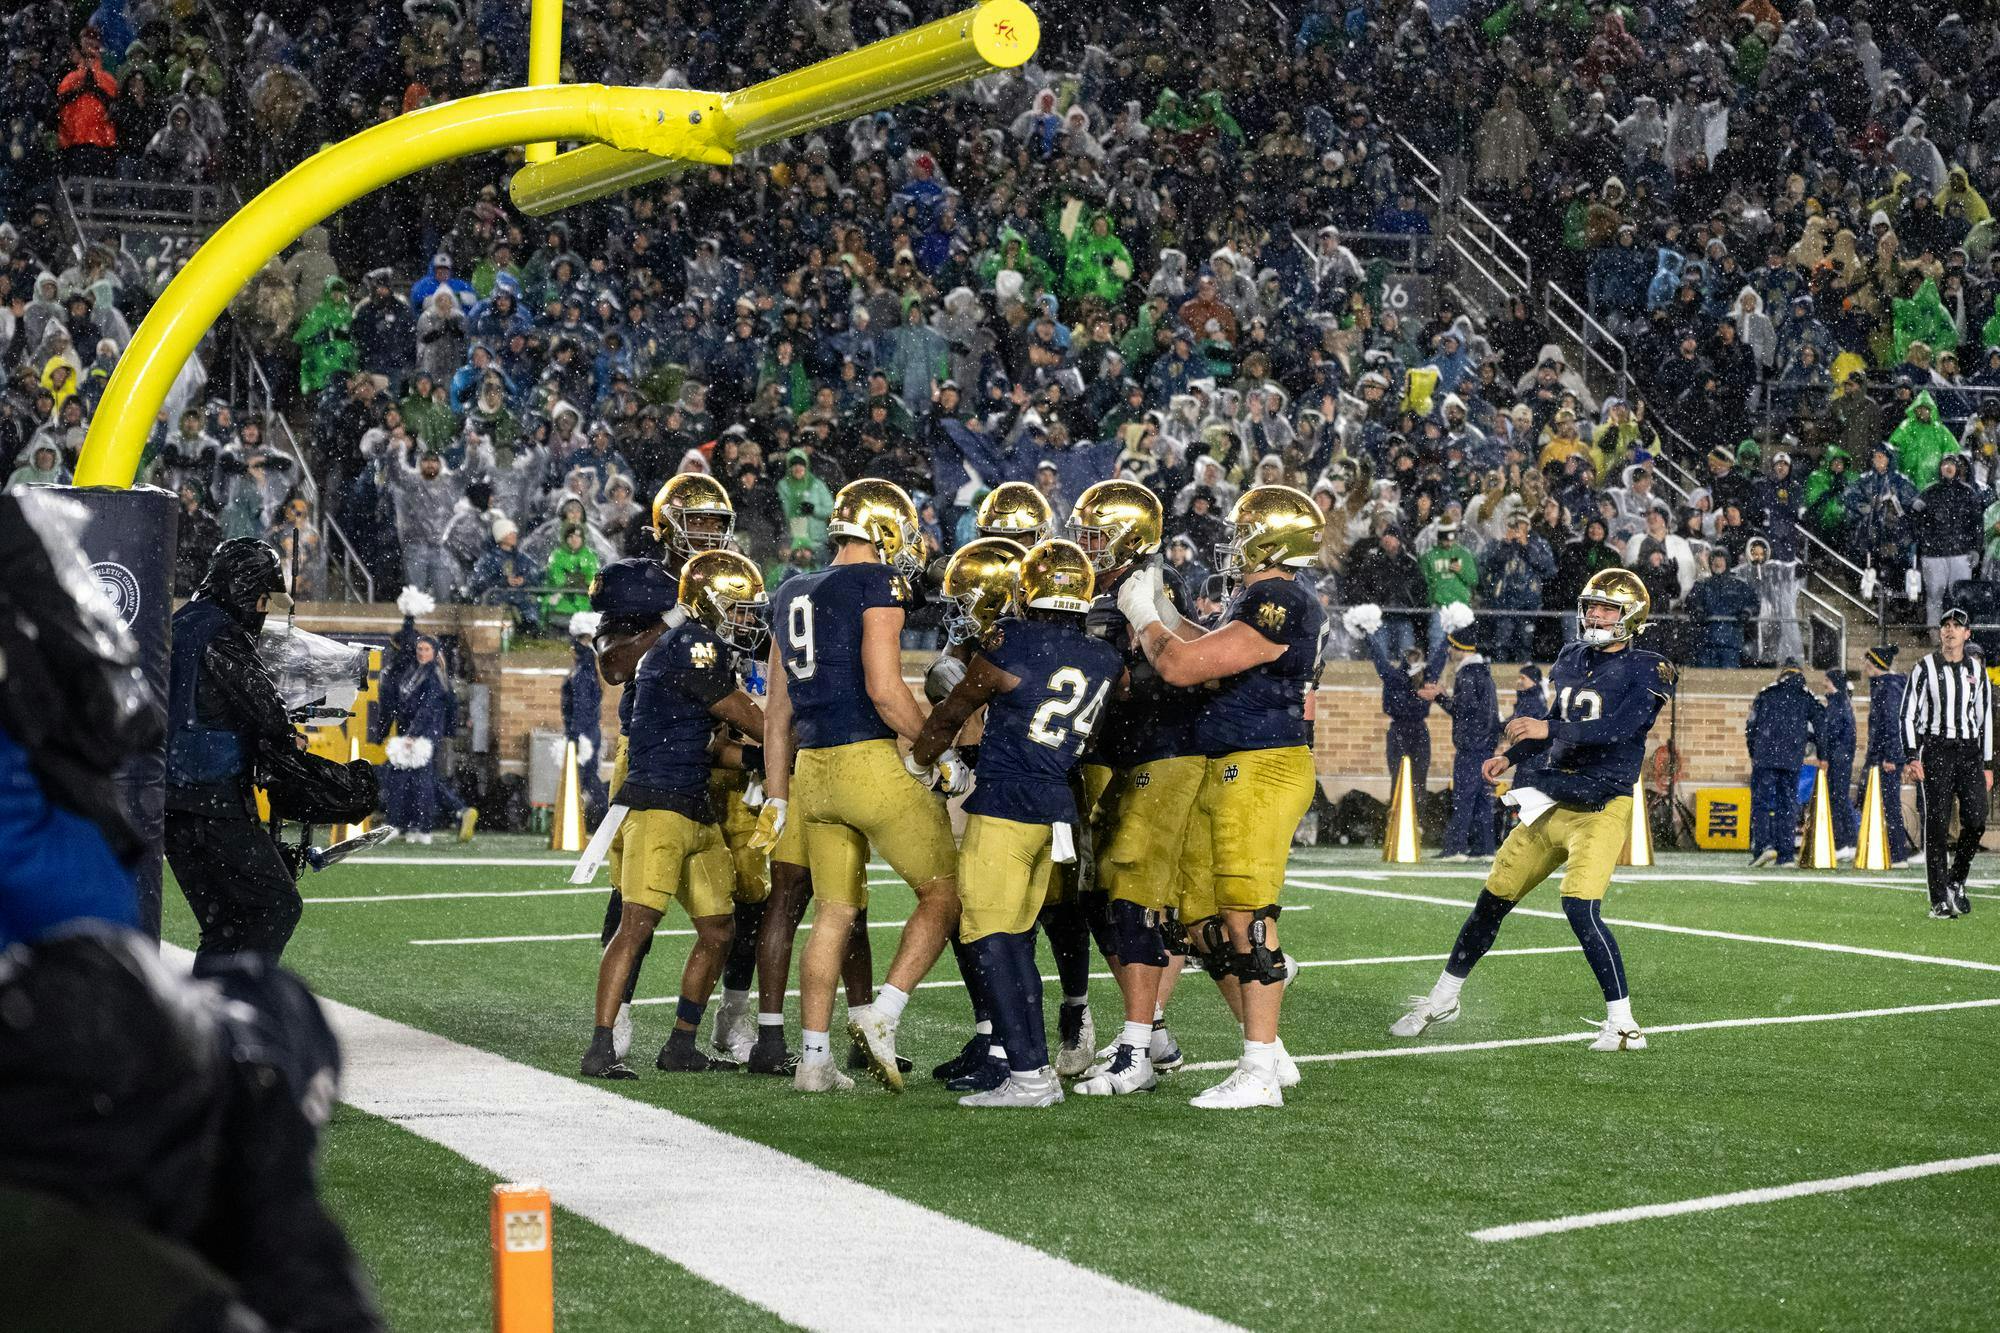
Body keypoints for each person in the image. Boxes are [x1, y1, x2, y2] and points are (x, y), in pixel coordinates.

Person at [1390, 569, 1674, 1054]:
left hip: (1603, 803)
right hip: (1555, 795)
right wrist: (1513, 754)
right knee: (1493, 898)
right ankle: (1444, 997)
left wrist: (1548, 733)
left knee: (1580, 907)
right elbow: (1558, 723)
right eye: (1591, 605)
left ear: (1631, 616)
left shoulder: (1649, 666)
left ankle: (1624, 1024)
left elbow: (1622, 728)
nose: (1595, 615)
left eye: (1607, 608)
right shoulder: (1570, 656)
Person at [1118, 485, 1327, 1109]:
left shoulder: (1279, 596)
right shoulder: (1257, 594)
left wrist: (1144, 617)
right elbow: (1198, 645)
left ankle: (1259, 1070)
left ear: (1272, 539)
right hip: (1234, 763)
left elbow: (1183, 667)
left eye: (1245, 531)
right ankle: (1272, 1053)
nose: (1233, 543)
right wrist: (1158, 605)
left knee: (1247, 914)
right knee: (1205, 923)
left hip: (1263, 764)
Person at [760, 479, 963, 1093]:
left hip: (813, 774)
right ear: (883, 530)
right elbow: (885, 689)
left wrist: (776, 794)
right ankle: (884, 1014)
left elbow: (776, 714)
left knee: (834, 913)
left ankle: (813, 1060)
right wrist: (939, 746)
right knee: (945, 894)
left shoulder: (790, 590)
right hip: (868, 763)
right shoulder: (877, 584)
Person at [910, 540, 1124, 1107]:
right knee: (1017, 939)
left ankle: (1028, 1076)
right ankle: (1034, 1070)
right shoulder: (1103, 657)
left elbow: (955, 708)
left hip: (1007, 808)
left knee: (992, 938)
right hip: (1057, 808)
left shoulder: (1013, 639)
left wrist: (921, 759)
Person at [581, 550, 771, 1078]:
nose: (747, 620)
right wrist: (808, 737)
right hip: (657, 805)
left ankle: (681, 1044)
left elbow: (719, 746)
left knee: (719, 929)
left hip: (694, 806)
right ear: (711, 603)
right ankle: (601, 1046)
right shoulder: (693, 643)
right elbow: (750, 721)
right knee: (636, 922)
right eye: (739, 607)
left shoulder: (691, 645)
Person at [588, 474, 737, 1060]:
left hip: (716, 745)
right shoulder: (645, 583)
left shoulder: (730, 582)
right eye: (695, 520)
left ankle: (730, 1017)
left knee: (744, 895)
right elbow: (614, 664)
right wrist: (676, 622)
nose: (708, 533)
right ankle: (615, 1020)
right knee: (632, 904)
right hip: (654, 751)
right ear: (669, 522)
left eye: (714, 522)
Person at [164, 539, 308, 968]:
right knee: (276, 906)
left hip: (172, 804)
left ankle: (207, 1025)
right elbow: (267, 711)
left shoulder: (180, 624)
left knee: (223, 924)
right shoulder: (223, 635)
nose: (264, 610)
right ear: (243, 589)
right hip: (214, 802)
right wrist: (289, 738)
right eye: (262, 598)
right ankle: (244, 1008)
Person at [1901, 608, 1994, 918]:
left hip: (1968, 752)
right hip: (1938, 750)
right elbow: (1908, 714)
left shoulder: (1977, 671)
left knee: (1977, 819)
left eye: (1957, 626)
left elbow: (1985, 719)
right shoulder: (1925, 667)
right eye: (1946, 626)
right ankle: (1939, 898)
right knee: (1938, 826)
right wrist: (1912, 755)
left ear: (1967, 634)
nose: (1951, 631)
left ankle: (1956, 879)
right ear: (1940, 632)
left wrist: (1988, 763)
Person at [1745, 661, 1823, 868]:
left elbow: (1751, 726)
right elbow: (1821, 725)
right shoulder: (1806, 697)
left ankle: (1764, 846)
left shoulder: (1766, 693)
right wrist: (1821, 753)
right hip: (1791, 759)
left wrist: (1753, 751)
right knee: (1787, 805)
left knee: (1761, 803)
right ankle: (1786, 854)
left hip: (1764, 757)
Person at [1438, 621, 1501, 862]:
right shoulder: (1484, 672)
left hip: (1471, 746)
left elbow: (1463, 710)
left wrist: (1440, 698)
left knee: (1463, 796)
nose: (1449, 651)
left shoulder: (1467, 674)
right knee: (1482, 798)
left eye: (1452, 647)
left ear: (1461, 649)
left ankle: (1456, 848)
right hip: (1486, 745)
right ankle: (1484, 848)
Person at [1363, 619, 1449, 796]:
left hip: (1399, 733)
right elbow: (1440, 657)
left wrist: (1368, 635)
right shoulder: (1424, 677)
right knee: (1417, 784)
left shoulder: (1394, 677)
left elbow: (1378, 657)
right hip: (1417, 733)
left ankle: (1401, 819)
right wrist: (1449, 635)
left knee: (1399, 782)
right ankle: (1416, 821)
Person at [1861, 646, 1914, 867]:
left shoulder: (1889, 688)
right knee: (1883, 803)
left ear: (1875, 664)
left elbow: (1892, 723)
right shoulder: (1884, 686)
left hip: (1886, 758)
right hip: (1880, 755)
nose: (1864, 667)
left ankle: (1898, 854)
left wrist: (1891, 756)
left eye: (1867, 663)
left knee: (1889, 804)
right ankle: (1889, 849)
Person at [564, 611, 610, 815]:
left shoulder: (586, 669)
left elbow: (582, 706)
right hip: (588, 732)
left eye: (583, 639)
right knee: (587, 779)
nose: (577, 644)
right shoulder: (587, 667)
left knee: (586, 779)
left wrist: (575, 733)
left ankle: (604, 820)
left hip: (585, 733)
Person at [1820, 669, 1860, 863]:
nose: (1824, 683)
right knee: (1841, 800)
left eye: (1827, 680)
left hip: (1838, 760)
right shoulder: (1842, 703)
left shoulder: (1837, 704)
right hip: (1842, 759)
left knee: (1837, 800)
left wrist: (1826, 755)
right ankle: (1850, 843)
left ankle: (1842, 843)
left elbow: (1831, 734)